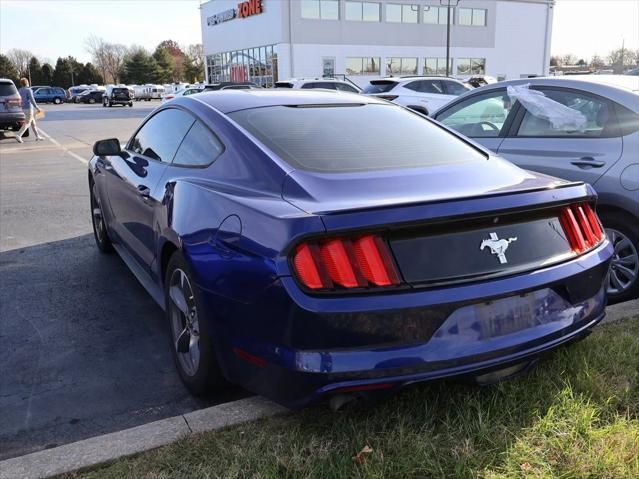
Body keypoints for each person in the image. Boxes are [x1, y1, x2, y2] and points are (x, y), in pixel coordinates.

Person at [15, 78, 44, 143]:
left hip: (23, 108)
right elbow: (32, 99)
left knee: (33, 123)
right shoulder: (29, 90)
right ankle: (18, 135)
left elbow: (19, 99)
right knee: (28, 123)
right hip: (29, 108)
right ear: (27, 83)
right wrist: (37, 107)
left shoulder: (20, 90)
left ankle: (37, 136)